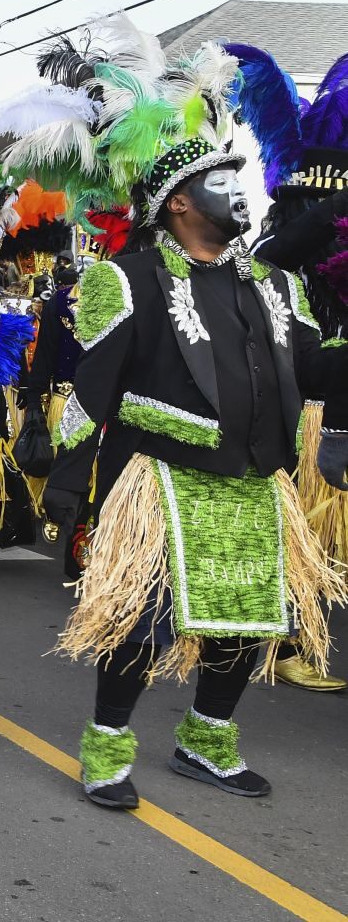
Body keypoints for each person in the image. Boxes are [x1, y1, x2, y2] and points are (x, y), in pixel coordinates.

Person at [9, 22, 348, 808]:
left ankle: (206, 742)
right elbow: (91, 392)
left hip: (254, 484)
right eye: (228, 177)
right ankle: (108, 751)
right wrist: (66, 485)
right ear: (182, 200)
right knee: (140, 622)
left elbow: (311, 369)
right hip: (159, 481)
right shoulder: (125, 281)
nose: (246, 189)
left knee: (247, 624)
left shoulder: (273, 285)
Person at [231, 40, 348, 692]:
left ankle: (290, 638)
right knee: (309, 539)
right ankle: (288, 643)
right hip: (305, 420)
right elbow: (276, 261)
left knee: (323, 544)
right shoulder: (279, 260)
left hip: (333, 411)